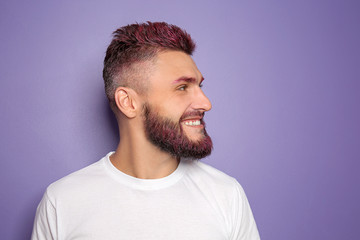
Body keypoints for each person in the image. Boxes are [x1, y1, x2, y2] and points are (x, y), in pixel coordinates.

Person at [31, 21, 260, 240]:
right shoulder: (62, 202)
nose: (206, 103)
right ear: (128, 102)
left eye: (199, 86)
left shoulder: (227, 195)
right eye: (182, 87)